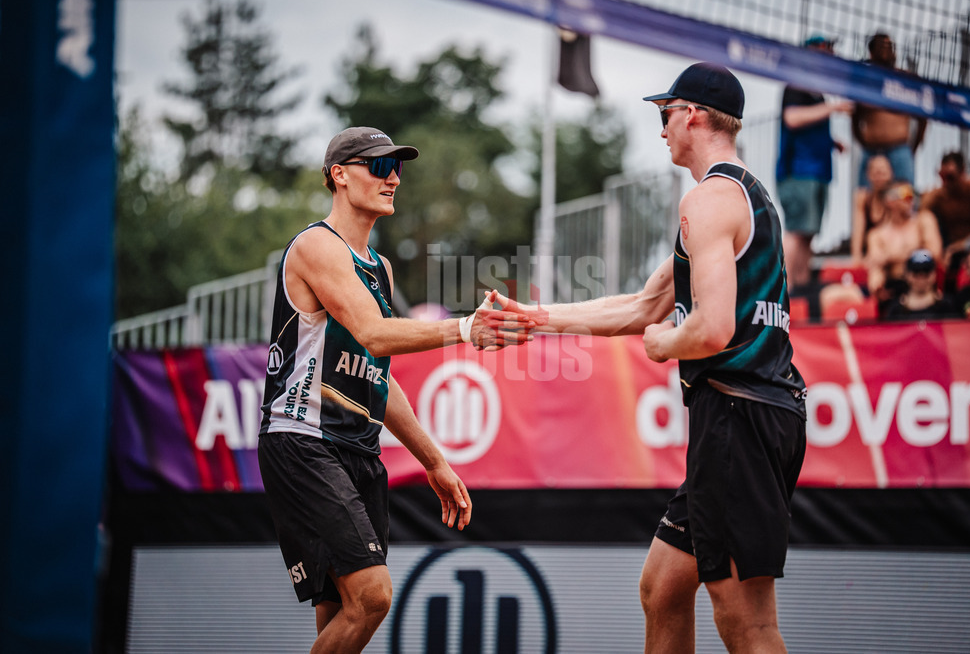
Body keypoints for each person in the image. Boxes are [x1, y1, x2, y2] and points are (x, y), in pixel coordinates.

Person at [499, 63, 806, 653]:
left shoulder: (708, 200)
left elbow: (711, 329)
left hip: (739, 416)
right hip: (751, 412)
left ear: (692, 115)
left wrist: (666, 345)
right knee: (662, 588)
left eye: (665, 114)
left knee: (747, 622)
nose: (662, 129)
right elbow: (642, 306)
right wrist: (535, 319)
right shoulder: (743, 196)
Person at [257, 127, 536, 653]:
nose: (394, 179)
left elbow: (377, 376)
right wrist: (464, 327)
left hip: (357, 448)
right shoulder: (317, 245)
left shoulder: (379, 268)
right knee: (373, 596)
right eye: (380, 167)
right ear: (339, 175)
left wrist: (434, 461)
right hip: (303, 440)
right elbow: (375, 334)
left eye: (398, 168)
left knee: (342, 614)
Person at [776, 35, 854, 291]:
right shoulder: (796, 85)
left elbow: (808, 127)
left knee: (808, 234)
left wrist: (831, 142)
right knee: (796, 232)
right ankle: (784, 291)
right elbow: (793, 118)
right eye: (824, 50)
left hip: (818, 172)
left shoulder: (816, 91)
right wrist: (834, 109)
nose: (830, 54)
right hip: (798, 172)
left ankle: (799, 291)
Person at [851, 33, 928, 190]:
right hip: (871, 151)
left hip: (899, 149)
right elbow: (855, 116)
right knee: (866, 197)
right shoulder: (864, 82)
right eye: (882, 47)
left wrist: (912, 149)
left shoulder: (906, 79)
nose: (887, 51)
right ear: (872, 52)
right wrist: (865, 142)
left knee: (904, 197)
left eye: (890, 47)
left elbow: (923, 117)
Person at [919, 151, 970, 291]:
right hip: (949, 250)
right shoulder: (936, 196)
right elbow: (919, 225)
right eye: (942, 176)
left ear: (962, 173)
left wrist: (954, 248)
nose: (945, 182)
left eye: (950, 177)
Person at [864, 180, 943, 309]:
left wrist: (891, 257)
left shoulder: (923, 221)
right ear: (890, 201)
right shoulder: (877, 234)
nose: (911, 199)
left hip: (923, 283)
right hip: (894, 288)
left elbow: (933, 253)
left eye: (912, 194)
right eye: (906, 195)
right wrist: (877, 283)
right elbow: (876, 262)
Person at [882, 249, 955, 321]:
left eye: (926, 274)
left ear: (934, 274)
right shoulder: (896, 309)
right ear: (907, 275)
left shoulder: (946, 306)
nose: (921, 279)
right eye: (916, 274)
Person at [849, 154, 895, 263]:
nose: (879, 177)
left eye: (883, 173)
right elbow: (858, 230)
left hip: (890, 252)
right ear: (868, 175)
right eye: (876, 173)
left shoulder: (896, 198)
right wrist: (856, 257)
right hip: (869, 254)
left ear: (891, 174)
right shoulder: (862, 197)